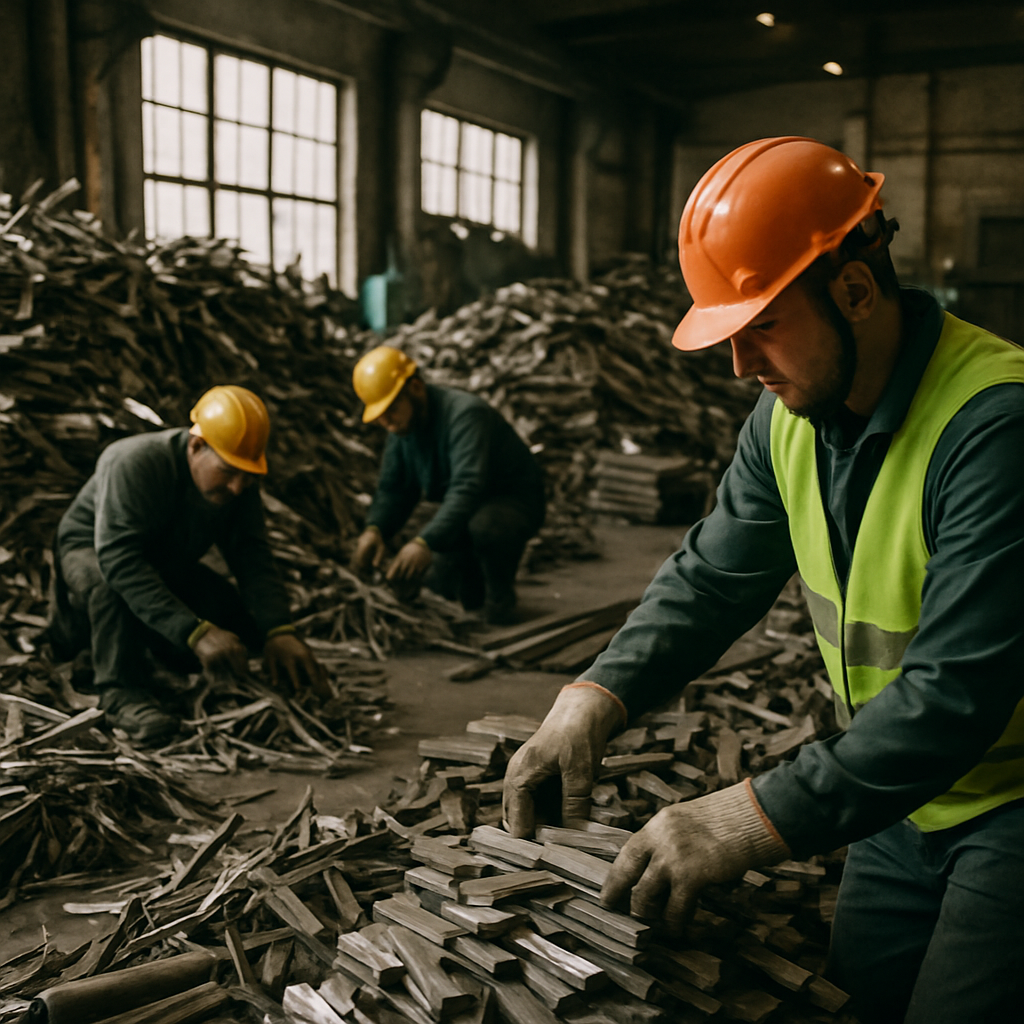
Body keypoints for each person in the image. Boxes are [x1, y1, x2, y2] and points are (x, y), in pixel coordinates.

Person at [503, 137, 1024, 1024]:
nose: (742, 367)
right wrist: (595, 694)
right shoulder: (788, 417)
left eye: (763, 328)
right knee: (854, 1000)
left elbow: (953, 697)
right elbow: (711, 578)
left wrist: (741, 820)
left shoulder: (995, 428)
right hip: (900, 801)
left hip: (1010, 805)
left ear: (856, 291)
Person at [47, 385, 326, 745]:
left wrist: (278, 630)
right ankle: (120, 692)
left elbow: (251, 555)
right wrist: (194, 631)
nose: (239, 487)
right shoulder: (133, 462)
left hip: (161, 561)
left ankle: (165, 652)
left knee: (231, 612)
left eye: (248, 474)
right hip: (93, 553)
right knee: (109, 585)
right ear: (196, 446)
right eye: (228, 472)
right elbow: (120, 560)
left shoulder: (237, 481)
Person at [351, 346, 545, 625]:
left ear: (416, 388)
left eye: (391, 410)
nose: (387, 423)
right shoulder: (404, 426)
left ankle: (500, 601)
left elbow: (468, 486)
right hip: (467, 510)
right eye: (380, 416)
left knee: (487, 527)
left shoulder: (465, 415)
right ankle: (473, 587)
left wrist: (424, 542)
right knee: (436, 587)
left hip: (512, 504)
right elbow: (395, 488)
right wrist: (375, 529)